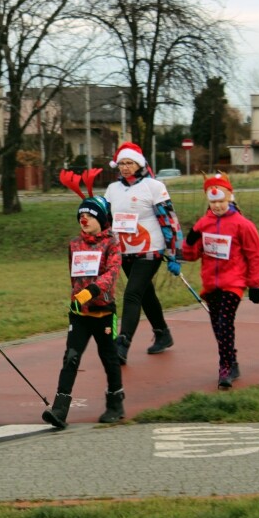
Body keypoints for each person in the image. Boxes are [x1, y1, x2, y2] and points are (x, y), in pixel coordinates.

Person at [44, 168, 124, 428]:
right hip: (79, 313)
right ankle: (59, 409)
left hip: (104, 312)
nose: (85, 218)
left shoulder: (112, 243)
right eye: (81, 215)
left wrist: (92, 291)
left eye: (90, 215)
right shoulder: (74, 244)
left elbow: (112, 273)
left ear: (102, 219)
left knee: (109, 357)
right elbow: (73, 274)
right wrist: (77, 296)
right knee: (71, 357)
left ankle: (115, 402)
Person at [181, 172, 259, 389]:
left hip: (233, 283)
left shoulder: (242, 225)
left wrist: (254, 284)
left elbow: (254, 254)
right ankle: (233, 360)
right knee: (218, 327)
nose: (217, 206)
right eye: (213, 202)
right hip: (210, 283)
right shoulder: (203, 224)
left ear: (230, 199)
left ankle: (225, 368)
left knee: (224, 322)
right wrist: (190, 241)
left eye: (221, 201)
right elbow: (191, 255)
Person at [104, 142, 183, 364]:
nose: (125, 167)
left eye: (129, 163)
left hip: (150, 249)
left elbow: (169, 221)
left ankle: (123, 343)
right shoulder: (113, 189)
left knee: (132, 294)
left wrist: (175, 253)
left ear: (139, 164)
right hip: (124, 251)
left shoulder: (153, 187)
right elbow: (105, 221)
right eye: (121, 163)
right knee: (145, 293)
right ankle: (162, 333)